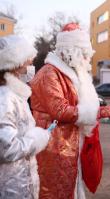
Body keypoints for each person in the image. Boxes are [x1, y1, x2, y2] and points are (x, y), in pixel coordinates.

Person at [30, 23, 110, 199]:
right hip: (53, 146)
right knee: (54, 191)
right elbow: (60, 111)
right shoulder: (49, 73)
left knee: (68, 188)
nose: (87, 58)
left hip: (68, 144)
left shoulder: (68, 73)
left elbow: (77, 105)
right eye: (84, 53)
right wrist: (100, 112)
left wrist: (99, 110)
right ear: (71, 51)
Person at [0, 35, 50, 198]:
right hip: (10, 185)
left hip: (19, 181)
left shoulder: (14, 94)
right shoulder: (5, 98)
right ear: (15, 63)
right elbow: (7, 149)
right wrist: (37, 138)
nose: (31, 63)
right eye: (27, 59)